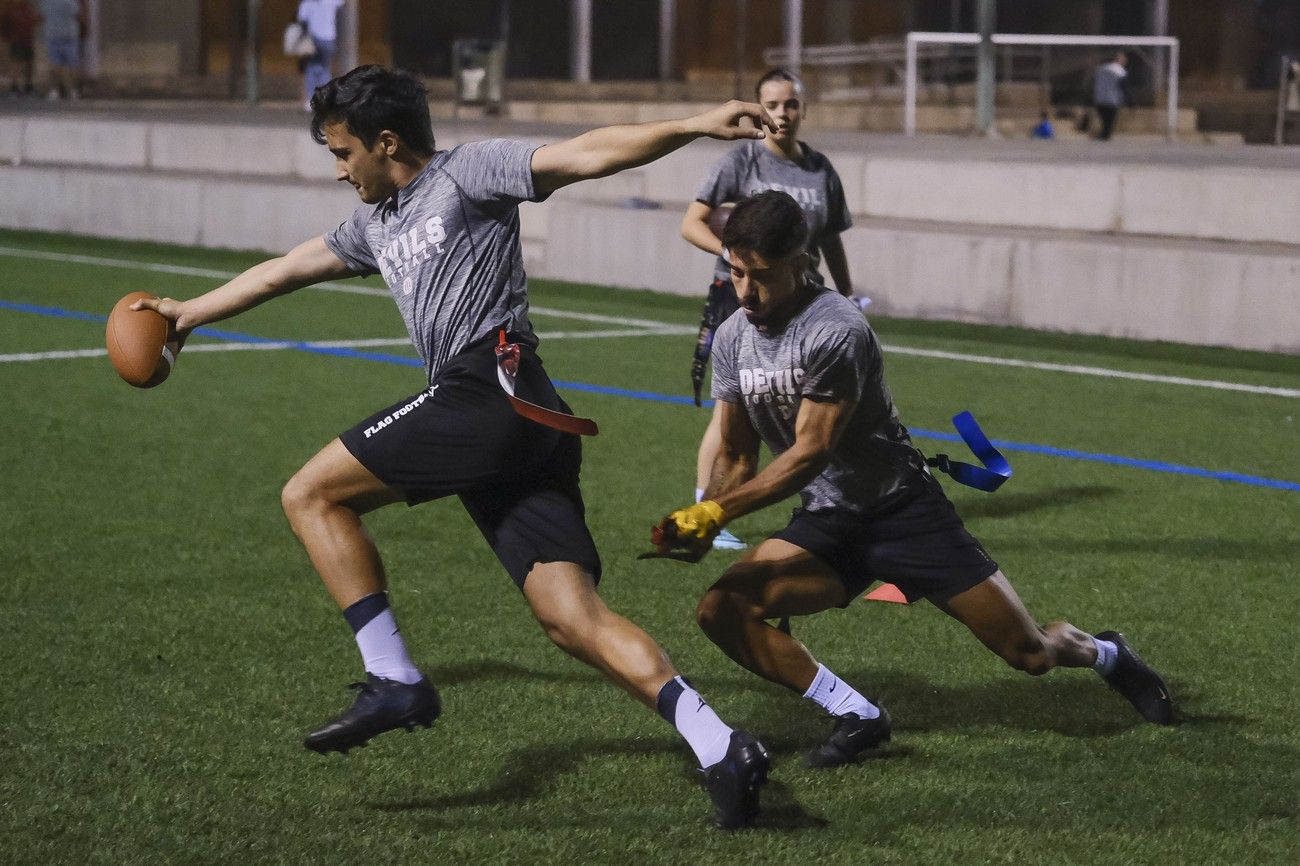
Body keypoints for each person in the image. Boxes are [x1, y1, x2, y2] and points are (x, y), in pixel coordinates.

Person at [133, 66, 780, 831]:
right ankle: (723, 746)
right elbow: (289, 268)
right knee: (570, 618)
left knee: (311, 494)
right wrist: (189, 313)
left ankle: (392, 676)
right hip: (521, 421)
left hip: (492, 386)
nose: (339, 170)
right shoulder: (375, 222)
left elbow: (588, 152)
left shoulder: (467, 173)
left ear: (386, 142)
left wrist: (695, 122)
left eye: (344, 153)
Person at [650, 190, 1177, 769]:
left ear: (801, 263)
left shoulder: (835, 329)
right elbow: (735, 453)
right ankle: (858, 714)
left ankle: (1106, 653)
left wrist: (719, 513)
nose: (745, 291)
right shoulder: (733, 336)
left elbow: (810, 453)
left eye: (760, 275)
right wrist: (705, 512)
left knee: (1029, 654)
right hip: (830, 520)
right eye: (735, 271)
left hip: (904, 511)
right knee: (721, 609)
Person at [679, 69, 855, 552]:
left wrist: (847, 293)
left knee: (807, 401)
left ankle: (833, 500)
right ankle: (708, 507)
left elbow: (830, 238)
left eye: (791, 105)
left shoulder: (820, 169)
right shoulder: (741, 160)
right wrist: (738, 263)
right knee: (732, 407)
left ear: (803, 108)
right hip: (748, 299)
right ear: (758, 108)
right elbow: (691, 222)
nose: (782, 114)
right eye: (772, 105)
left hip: (805, 299)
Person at [297, 0, 343, 109]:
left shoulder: (307, 3)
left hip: (313, 39)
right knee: (325, 68)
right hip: (328, 38)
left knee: (311, 67)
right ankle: (326, 98)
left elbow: (302, 20)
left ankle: (310, 100)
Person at [37, 0, 77, 99]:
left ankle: (55, 90)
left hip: (53, 36)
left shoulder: (46, 3)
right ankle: (71, 90)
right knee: (70, 66)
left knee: (55, 66)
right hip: (68, 36)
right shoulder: (70, 2)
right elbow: (75, 13)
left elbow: (41, 15)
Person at [0, 0, 38, 95]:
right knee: (16, 63)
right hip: (16, 39)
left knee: (28, 63)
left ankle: (28, 85)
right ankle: (15, 86)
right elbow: (4, 23)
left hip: (26, 39)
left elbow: (33, 20)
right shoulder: (11, 8)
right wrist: (5, 37)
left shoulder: (26, 7)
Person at [1093, 52, 1131, 141]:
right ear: (1119, 60)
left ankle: (1104, 134)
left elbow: (1094, 82)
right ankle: (1105, 135)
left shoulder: (1101, 68)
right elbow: (1124, 86)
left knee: (1104, 119)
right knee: (1110, 120)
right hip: (1112, 99)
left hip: (1099, 98)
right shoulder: (1120, 71)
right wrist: (1129, 100)